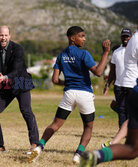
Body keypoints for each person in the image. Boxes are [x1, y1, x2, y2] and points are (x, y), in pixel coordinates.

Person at [28, 26, 111, 163]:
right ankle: (78, 154)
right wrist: (105, 53)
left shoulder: (61, 56)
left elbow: (55, 80)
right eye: (82, 36)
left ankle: (39, 146)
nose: (84, 39)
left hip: (69, 94)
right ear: (73, 38)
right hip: (84, 94)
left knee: (55, 124)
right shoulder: (84, 54)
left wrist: (67, 84)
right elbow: (98, 72)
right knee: (88, 127)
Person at [80, 22, 138, 167]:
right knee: (124, 114)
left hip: (134, 91)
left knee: (132, 148)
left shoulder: (134, 40)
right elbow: (112, 70)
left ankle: (98, 154)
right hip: (126, 86)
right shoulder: (122, 49)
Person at [0, 25, 39, 154]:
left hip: (20, 82)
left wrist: (5, 77)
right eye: (1, 35)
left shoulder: (18, 49)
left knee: (26, 111)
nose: (3, 38)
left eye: (6, 35)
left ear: (10, 36)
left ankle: (34, 144)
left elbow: (17, 69)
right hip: (5, 85)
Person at [102, 28, 132, 147]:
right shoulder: (116, 52)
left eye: (128, 36)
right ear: (121, 37)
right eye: (124, 36)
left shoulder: (135, 50)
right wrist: (107, 85)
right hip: (119, 86)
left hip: (132, 85)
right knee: (121, 112)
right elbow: (113, 71)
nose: (125, 38)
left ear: (131, 37)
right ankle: (122, 138)